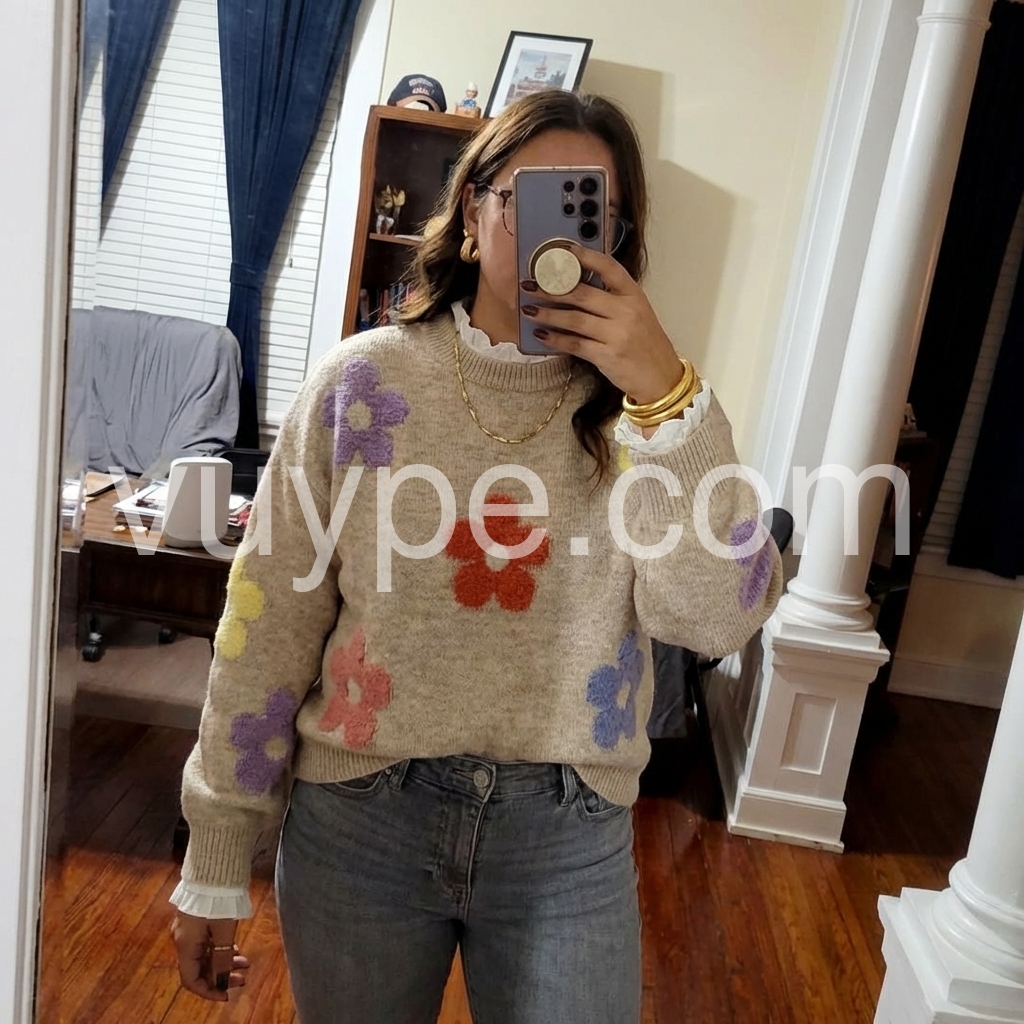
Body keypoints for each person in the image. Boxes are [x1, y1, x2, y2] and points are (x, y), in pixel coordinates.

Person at [169, 89, 783, 1024]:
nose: (557, 235)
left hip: (568, 834)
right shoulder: (361, 384)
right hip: (361, 817)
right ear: (472, 213)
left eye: (590, 210)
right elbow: (267, 625)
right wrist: (215, 855)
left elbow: (715, 619)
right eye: (530, 198)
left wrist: (666, 394)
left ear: (618, 239)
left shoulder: (652, 417)